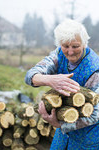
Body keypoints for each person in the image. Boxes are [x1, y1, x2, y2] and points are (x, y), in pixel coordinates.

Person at [25, 19, 99, 150]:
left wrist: (59, 124)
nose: (70, 52)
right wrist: (49, 80)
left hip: (88, 138)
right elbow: (30, 75)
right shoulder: (58, 55)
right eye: (65, 46)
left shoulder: (95, 70)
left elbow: (94, 116)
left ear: (84, 44)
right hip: (63, 133)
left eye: (75, 46)